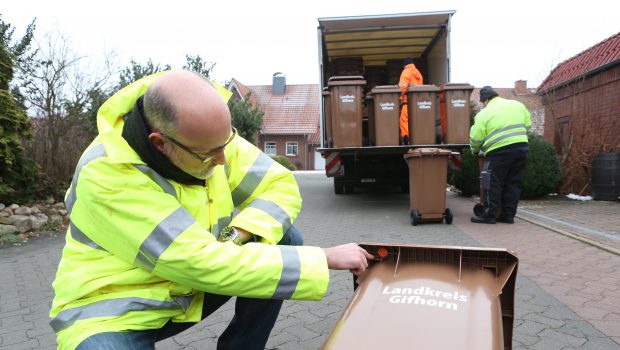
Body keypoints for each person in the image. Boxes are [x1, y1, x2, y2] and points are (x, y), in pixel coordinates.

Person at [49, 70, 373, 350]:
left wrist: (237, 235)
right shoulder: (107, 174)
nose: (221, 161)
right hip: (116, 308)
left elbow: (280, 185)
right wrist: (324, 258)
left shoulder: (204, 137)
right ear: (160, 143)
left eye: (226, 145)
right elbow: (198, 262)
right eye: (209, 154)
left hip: (185, 287)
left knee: (284, 238)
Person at [469, 86, 531, 224]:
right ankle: (508, 216)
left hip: (498, 152)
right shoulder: (517, 105)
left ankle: (490, 215)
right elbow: (527, 125)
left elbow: (476, 137)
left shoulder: (484, 113)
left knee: (493, 183)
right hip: (521, 148)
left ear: (485, 101)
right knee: (513, 183)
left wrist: (474, 150)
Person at [398, 57, 423, 145]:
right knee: (414, 122)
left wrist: (398, 97)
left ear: (405, 64)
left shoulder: (406, 71)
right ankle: (416, 139)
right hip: (417, 103)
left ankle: (406, 139)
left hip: (407, 102)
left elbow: (402, 87)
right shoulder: (417, 73)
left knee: (404, 121)